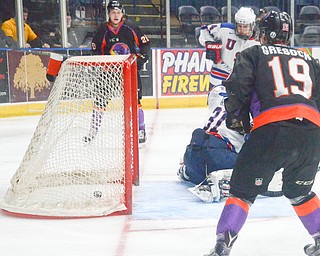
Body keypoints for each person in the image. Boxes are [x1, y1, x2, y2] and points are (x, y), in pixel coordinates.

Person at [204, 11, 320, 256]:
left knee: (242, 193)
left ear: (263, 33)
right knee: (299, 191)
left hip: (271, 131)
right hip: (311, 133)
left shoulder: (253, 53)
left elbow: (237, 89)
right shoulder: (309, 59)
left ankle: (222, 246)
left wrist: (239, 123)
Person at [88, 0, 150, 143]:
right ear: (108, 14)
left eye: (118, 12)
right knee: (100, 100)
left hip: (129, 71)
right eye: (112, 12)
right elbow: (95, 50)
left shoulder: (131, 27)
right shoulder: (102, 30)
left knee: (135, 101)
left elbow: (145, 44)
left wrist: (141, 58)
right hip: (108, 72)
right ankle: (93, 130)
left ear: (122, 13)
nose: (115, 15)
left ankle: (140, 130)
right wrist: (100, 62)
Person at [199, 7, 259, 96]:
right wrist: (209, 43)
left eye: (245, 27)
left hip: (240, 83)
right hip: (218, 76)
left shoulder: (257, 43)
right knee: (216, 107)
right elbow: (204, 30)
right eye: (239, 26)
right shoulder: (225, 29)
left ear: (252, 25)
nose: (241, 29)